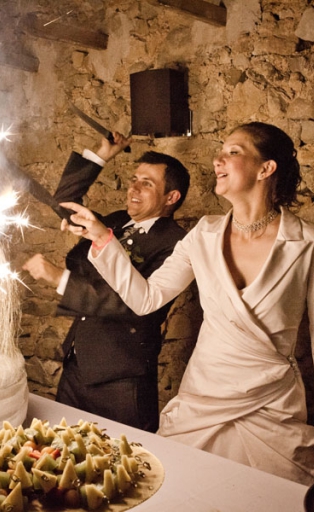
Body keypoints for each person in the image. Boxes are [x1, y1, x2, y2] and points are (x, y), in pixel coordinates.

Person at [59, 122, 314, 485]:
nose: (218, 159)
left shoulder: (310, 241)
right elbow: (145, 299)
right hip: (202, 400)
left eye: (233, 151)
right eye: (221, 151)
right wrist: (102, 237)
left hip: (272, 404)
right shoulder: (204, 234)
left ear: (266, 168)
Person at [21, 134, 191, 433]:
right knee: (63, 448)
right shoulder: (115, 220)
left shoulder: (176, 244)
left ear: (171, 197)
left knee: (125, 462)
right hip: (77, 365)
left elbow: (132, 305)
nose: (134, 187)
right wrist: (102, 154)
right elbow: (66, 203)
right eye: (134, 179)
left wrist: (59, 278)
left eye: (147, 183)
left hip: (122, 380)